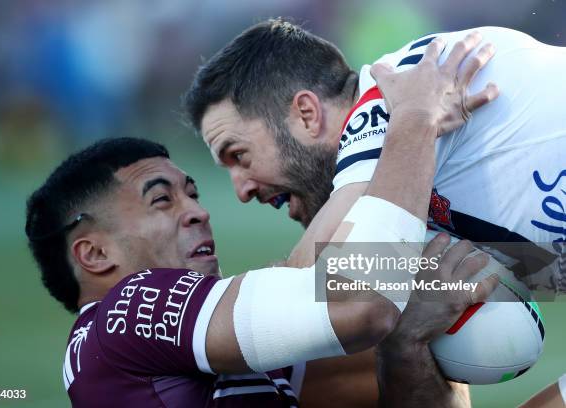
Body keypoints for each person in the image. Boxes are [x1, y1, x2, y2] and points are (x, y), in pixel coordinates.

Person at [26, 39, 498, 407]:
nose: (199, 210)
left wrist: (411, 339)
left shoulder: (219, 349)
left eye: (191, 193)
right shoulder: (127, 313)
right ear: (94, 253)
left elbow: (379, 319)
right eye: (161, 201)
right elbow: (361, 304)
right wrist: (412, 123)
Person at [184, 19, 561, 407]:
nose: (241, 190)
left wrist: (179, 320)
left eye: (238, 155)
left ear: (307, 114)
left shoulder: (398, 97)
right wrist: (407, 337)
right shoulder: (400, 205)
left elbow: (311, 290)